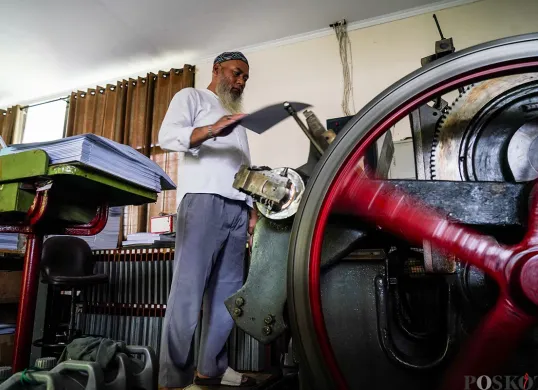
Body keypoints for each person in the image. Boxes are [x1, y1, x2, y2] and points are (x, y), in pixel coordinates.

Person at [157, 51, 258, 388]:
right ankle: (174, 378)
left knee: (226, 296)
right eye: (237, 73)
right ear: (217, 69)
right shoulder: (192, 97)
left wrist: (253, 210)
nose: (241, 81)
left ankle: (210, 369)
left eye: (245, 77)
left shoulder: (235, 117)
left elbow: (240, 169)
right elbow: (168, 136)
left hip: (238, 210)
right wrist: (214, 128)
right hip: (202, 203)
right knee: (188, 293)